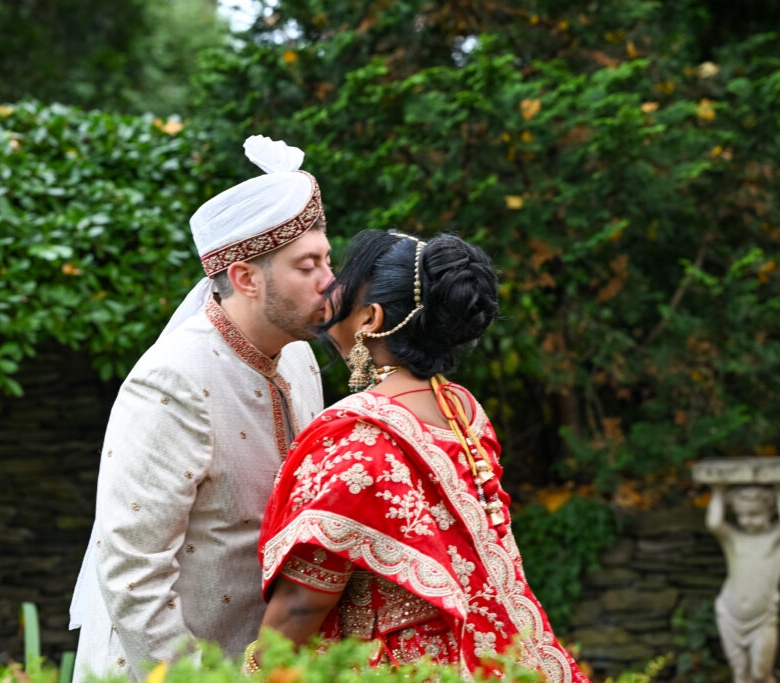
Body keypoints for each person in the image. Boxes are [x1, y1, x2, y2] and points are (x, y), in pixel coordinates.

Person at [248, 230, 588, 682]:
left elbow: (302, 603)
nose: (330, 285)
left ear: (370, 318)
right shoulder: (463, 409)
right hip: (472, 656)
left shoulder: (359, 437)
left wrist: (252, 669)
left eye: (346, 276)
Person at [68, 136, 334, 681]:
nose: (329, 281)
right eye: (307, 265)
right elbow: (131, 575)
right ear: (244, 278)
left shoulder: (302, 358)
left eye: (328, 259)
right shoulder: (172, 381)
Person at [707, 484, 780, 683]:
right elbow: (715, 523)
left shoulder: (775, 540)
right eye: (741, 515)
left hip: (762, 619)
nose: (747, 520)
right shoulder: (734, 539)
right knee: (740, 674)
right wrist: (717, 491)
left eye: (755, 514)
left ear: (771, 511)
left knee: (761, 674)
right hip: (729, 616)